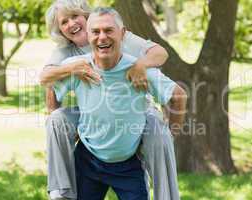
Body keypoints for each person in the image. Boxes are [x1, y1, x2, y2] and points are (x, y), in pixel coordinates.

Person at [40, 1, 185, 200]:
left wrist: (140, 66)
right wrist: (58, 119)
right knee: (56, 120)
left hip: (134, 128)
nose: (71, 24)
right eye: (64, 22)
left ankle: (166, 196)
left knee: (160, 133)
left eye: (75, 16)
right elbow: (47, 80)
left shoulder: (125, 41)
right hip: (90, 152)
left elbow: (162, 56)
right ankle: (61, 192)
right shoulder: (67, 56)